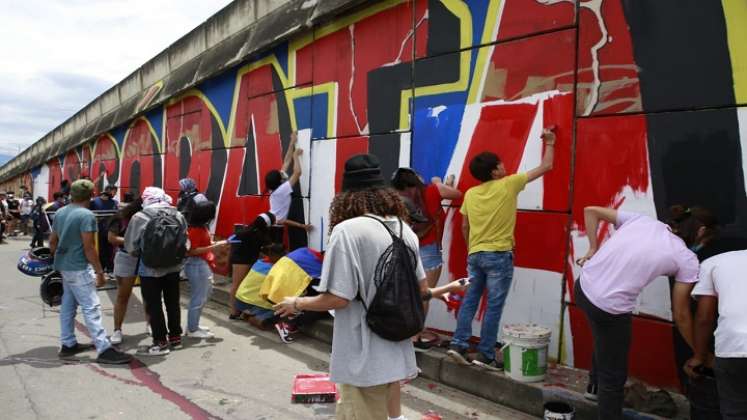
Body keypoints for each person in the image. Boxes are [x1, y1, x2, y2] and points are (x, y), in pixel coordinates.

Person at [273, 154, 466, 419]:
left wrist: (296, 302)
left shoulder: (347, 231)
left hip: (362, 357)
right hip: (396, 348)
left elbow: (337, 299)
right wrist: (446, 289)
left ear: (346, 196)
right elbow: (420, 290)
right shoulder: (404, 229)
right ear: (384, 193)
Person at [573, 206, 700, 420]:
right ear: (702, 232)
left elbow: (590, 210)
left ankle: (594, 387)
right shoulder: (686, 258)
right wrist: (700, 352)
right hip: (609, 308)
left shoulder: (642, 221)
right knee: (613, 376)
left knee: (604, 339)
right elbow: (681, 314)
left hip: (583, 288)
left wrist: (593, 249)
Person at [447, 127, 557, 369]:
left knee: (470, 300)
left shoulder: (471, 194)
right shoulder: (509, 184)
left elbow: (464, 226)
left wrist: (472, 250)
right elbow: (546, 166)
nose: (505, 166)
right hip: (498, 255)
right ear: (495, 171)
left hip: (475, 255)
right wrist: (550, 142)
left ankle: (458, 343)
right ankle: (485, 354)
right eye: (501, 164)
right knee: (494, 306)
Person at [48, 179, 131, 364]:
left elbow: (52, 241)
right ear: (91, 195)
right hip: (78, 267)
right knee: (91, 307)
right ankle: (104, 348)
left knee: (68, 306)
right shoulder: (86, 215)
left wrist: (59, 260)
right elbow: (89, 248)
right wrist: (100, 272)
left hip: (64, 266)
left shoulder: (60, 212)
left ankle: (68, 344)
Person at [391, 168, 462, 351]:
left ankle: (407, 331)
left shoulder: (395, 198)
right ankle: (415, 337)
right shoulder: (433, 190)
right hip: (429, 250)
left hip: (405, 248)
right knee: (424, 295)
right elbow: (458, 194)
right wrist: (439, 183)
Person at [124, 187, 187, 356]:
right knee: (173, 302)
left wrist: (142, 252)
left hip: (149, 268)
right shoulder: (178, 215)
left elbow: (131, 246)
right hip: (174, 267)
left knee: (154, 304)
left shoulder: (140, 216)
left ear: (146, 199)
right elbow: (185, 242)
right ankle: (175, 337)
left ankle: (160, 342)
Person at [686, 250, 747, 420]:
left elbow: (704, 317)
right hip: (733, 347)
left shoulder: (714, 262)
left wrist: (699, 357)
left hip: (732, 347)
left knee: (736, 412)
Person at [184, 200, 228, 339]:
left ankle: (194, 325)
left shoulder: (200, 227)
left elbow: (200, 246)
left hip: (200, 264)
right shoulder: (196, 229)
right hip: (197, 264)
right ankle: (192, 329)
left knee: (203, 296)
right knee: (199, 298)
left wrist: (216, 244)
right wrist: (214, 247)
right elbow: (191, 251)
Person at [107, 195, 143, 345]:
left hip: (146, 259)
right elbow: (112, 238)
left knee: (149, 295)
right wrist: (134, 243)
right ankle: (117, 329)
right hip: (126, 257)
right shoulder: (120, 218)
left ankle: (152, 326)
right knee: (123, 296)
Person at [228, 211, 276, 319]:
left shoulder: (249, 231)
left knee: (240, 285)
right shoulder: (253, 234)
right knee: (237, 284)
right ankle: (233, 311)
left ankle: (237, 310)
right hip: (241, 260)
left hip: (242, 259)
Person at [265, 132, 312, 237]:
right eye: (280, 175)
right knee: (275, 251)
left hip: (273, 224)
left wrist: (292, 142)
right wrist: (296, 156)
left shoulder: (274, 189)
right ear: (280, 181)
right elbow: (298, 173)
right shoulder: (281, 191)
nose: (281, 173)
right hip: (275, 230)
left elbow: (286, 162)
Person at [234, 243, 287, 330]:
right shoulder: (274, 269)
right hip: (250, 302)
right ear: (275, 255)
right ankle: (257, 319)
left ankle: (249, 314)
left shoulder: (259, 262)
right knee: (279, 310)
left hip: (239, 300)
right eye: (283, 255)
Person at [90, 185, 119, 273]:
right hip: (98, 230)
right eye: (114, 191)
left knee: (110, 250)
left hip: (110, 230)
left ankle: (109, 268)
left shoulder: (114, 203)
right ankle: (101, 268)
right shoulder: (94, 202)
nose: (115, 194)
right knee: (100, 249)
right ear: (108, 190)